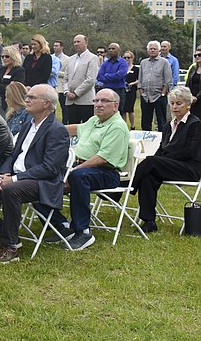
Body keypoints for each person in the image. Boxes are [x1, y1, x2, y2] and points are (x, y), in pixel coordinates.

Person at [0, 84, 70, 263]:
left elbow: (49, 168)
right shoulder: (28, 125)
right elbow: (13, 155)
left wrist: (13, 179)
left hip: (43, 182)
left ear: (46, 104)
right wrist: (4, 175)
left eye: (31, 97)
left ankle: (10, 245)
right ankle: (1, 233)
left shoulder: (57, 130)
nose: (26, 100)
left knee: (11, 190)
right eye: (27, 96)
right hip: (16, 178)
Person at [49, 88, 130, 250]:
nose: (98, 104)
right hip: (81, 167)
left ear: (115, 106)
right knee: (43, 174)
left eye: (104, 101)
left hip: (106, 172)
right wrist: (49, 129)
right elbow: (74, 129)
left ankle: (83, 231)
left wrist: (71, 171)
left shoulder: (117, 126)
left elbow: (102, 158)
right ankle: (62, 225)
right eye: (96, 100)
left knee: (78, 176)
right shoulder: (94, 121)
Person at [133, 87, 201, 233]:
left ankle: (129, 185)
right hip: (167, 166)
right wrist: (160, 159)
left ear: (188, 104)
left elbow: (188, 151)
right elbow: (161, 149)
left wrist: (160, 159)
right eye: (172, 103)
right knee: (148, 176)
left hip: (189, 168)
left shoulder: (195, 124)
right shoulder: (167, 126)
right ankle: (149, 221)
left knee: (152, 161)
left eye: (179, 103)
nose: (175, 107)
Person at [64, 34, 99, 125]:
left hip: (85, 101)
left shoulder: (93, 58)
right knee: (72, 126)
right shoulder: (71, 59)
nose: (76, 44)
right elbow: (65, 78)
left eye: (78, 42)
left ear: (86, 43)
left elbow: (90, 80)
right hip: (70, 101)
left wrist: (76, 93)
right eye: (74, 42)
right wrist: (66, 92)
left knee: (87, 127)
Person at [138, 40, 172, 132]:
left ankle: (162, 141)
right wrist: (142, 93)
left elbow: (168, 80)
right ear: (148, 50)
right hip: (146, 97)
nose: (152, 50)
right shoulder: (143, 63)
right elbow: (140, 79)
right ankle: (146, 141)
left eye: (154, 49)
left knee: (161, 121)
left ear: (159, 50)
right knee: (145, 121)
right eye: (150, 49)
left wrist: (163, 94)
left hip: (159, 96)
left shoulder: (164, 62)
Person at [0, 46, 25, 113]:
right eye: (2, 57)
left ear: (13, 56)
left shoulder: (19, 71)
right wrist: (7, 86)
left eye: (7, 56)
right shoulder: (0, 70)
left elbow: (15, 89)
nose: (4, 58)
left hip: (11, 104)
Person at [96, 43, 129, 113]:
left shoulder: (123, 63)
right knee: (104, 111)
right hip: (106, 90)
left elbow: (119, 76)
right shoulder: (105, 63)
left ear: (118, 50)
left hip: (118, 91)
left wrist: (107, 75)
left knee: (117, 112)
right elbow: (99, 77)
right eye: (109, 49)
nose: (111, 50)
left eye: (113, 49)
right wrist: (113, 76)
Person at [123, 51, 140, 129]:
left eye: (128, 57)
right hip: (123, 90)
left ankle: (132, 126)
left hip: (131, 91)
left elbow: (139, 80)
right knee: (123, 110)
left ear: (132, 58)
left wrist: (133, 83)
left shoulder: (136, 69)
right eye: (125, 58)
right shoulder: (122, 68)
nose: (127, 59)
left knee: (130, 109)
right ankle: (124, 126)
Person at [53, 40, 69, 121]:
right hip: (53, 86)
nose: (55, 47)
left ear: (61, 47)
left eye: (57, 46)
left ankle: (65, 123)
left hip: (62, 87)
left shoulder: (67, 59)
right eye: (54, 46)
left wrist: (56, 72)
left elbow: (67, 73)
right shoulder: (50, 57)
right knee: (52, 108)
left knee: (64, 108)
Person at [186, 49, 201, 119]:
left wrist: (197, 98)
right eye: (195, 55)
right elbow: (188, 83)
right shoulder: (193, 68)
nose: (197, 57)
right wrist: (189, 96)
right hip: (191, 100)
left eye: (199, 55)